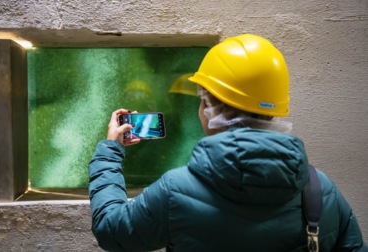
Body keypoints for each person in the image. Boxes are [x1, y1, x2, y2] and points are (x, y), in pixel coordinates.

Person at [88, 34, 367, 251]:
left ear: (210, 110)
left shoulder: (175, 192)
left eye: (201, 101)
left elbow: (110, 229)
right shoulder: (321, 191)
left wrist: (110, 151)